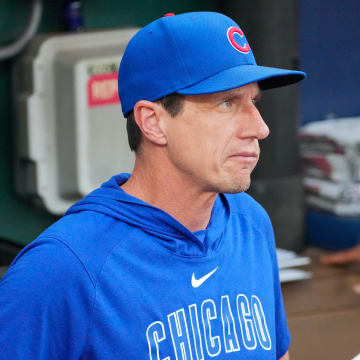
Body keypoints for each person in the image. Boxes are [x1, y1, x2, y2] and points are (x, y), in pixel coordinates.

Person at [0, 11, 305, 360]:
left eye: (253, 101)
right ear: (153, 122)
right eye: (226, 103)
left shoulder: (251, 223)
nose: (260, 127)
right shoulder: (61, 268)